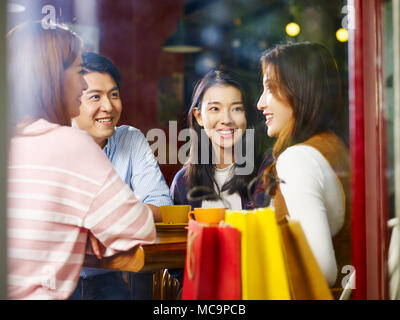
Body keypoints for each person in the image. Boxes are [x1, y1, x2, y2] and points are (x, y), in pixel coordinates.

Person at [7, 21, 155, 300]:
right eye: (78, 72)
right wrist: (89, 230)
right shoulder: (71, 144)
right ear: (53, 77)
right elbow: (141, 227)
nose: (84, 83)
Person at [70, 52, 172, 300]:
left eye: (114, 95)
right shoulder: (53, 141)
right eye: (95, 96)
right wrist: (126, 217)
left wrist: (111, 218)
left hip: (107, 277)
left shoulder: (130, 138)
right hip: (57, 277)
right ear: (71, 100)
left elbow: (161, 203)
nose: (109, 106)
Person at [256, 42, 351, 296]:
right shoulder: (335, 147)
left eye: (270, 88)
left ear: (300, 90)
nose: (260, 103)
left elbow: (319, 269)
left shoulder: (298, 159)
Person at [170, 69, 258, 210]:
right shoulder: (183, 182)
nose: (226, 120)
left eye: (236, 109)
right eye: (215, 109)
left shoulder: (264, 175)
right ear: (199, 116)